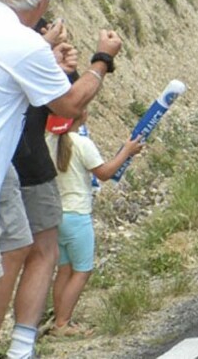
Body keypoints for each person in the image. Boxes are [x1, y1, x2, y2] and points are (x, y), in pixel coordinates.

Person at [0, 0, 122, 359]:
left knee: (19, 244)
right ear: (43, 2)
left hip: (0, 178)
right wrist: (102, 61)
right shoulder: (24, 44)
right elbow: (71, 106)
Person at [45, 113, 144, 337]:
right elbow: (105, 173)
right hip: (78, 215)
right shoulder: (81, 143)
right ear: (79, 114)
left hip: (57, 215)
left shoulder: (49, 140)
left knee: (64, 269)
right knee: (82, 271)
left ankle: (58, 319)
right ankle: (62, 323)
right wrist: (126, 151)